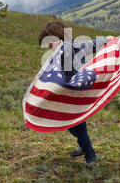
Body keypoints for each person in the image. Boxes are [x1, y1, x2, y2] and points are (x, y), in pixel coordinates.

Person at [39, 21, 111, 167]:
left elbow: (91, 44)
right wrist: (107, 40)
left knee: (78, 126)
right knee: (71, 124)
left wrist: (107, 40)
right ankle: (82, 146)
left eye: (49, 44)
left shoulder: (70, 47)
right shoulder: (63, 50)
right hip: (70, 93)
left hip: (75, 93)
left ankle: (91, 157)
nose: (48, 47)